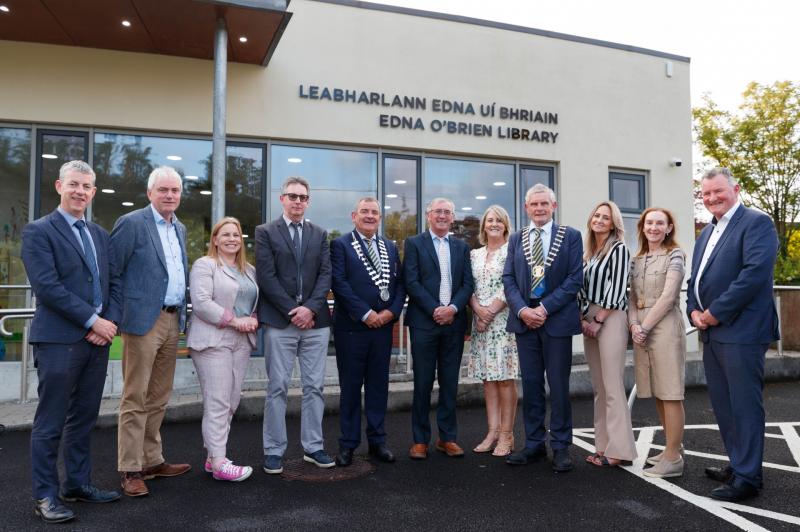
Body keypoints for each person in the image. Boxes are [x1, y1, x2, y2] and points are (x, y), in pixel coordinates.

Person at [22, 161, 122, 523]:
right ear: (59, 186)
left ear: (93, 192)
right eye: (74, 184)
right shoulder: (38, 231)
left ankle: (77, 484)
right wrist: (93, 320)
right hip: (58, 341)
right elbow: (48, 288)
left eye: (86, 186)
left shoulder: (100, 234)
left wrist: (108, 323)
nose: (80, 191)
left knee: (84, 418)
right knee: (50, 422)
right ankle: (45, 496)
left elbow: (115, 283)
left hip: (96, 342)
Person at [687, 167, 779, 502]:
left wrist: (715, 312)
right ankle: (738, 465)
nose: (712, 198)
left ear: (735, 189)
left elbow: (754, 275)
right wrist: (693, 310)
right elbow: (695, 279)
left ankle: (749, 479)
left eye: (718, 191)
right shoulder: (706, 232)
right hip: (712, 332)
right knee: (724, 405)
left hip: (742, 331)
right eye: (706, 193)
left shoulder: (756, 223)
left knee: (744, 406)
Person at [111, 166, 191, 497]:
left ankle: (151, 460)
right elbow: (113, 271)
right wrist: (115, 317)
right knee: (135, 396)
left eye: (175, 190)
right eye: (163, 190)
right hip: (142, 321)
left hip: (172, 320)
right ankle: (130, 469)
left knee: (159, 396)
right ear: (149, 193)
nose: (170, 195)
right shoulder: (132, 223)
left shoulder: (180, 228)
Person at [256, 176, 334, 474]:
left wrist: (310, 309)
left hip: (316, 323)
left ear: (308, 201)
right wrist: (293, 311)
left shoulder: (320, 234)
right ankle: (274, 450)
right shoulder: (265, 232)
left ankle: (313, 447)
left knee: (314, 387)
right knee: (277, 387)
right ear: (282, 199)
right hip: (281, 322)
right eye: (292, 196)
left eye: (302, 197)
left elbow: (325, 275)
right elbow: (266, 277)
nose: (298, 201)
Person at [502, 183, 582, 472]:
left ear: (553, 206)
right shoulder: (517, 238)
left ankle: (560, 446)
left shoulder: (570, 236)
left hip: (556, 320)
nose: (539, 208)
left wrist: (544, 308)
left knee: (558, 387)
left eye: (544, 204)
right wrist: (523, 310)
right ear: (526, 208)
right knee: (532, 385)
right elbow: (508, 278)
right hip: (525, 322)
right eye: (534, 204)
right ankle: (534, 444)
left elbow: (574, 279)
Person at [330, 197, 405, 466]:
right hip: (352, 329)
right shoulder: (340, 245)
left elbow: (399, 285)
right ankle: (348, 444)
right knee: (350, 388)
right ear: (354, 216)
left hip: (382, 329)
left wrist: (390, 313)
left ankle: (377, 441)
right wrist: (366, 313)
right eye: (365, 211)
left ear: (380, 218)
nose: (370, 216)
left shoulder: (390, 247)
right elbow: (339, 283)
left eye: (374, 212)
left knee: (378, 386)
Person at [187, 217, 259, 482]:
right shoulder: (205, 265)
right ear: (215, 240)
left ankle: (212, 457)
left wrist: (253, 319)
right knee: (217, 401)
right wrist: (234, 320)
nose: (232, 239)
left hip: (241, 341)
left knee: (231, 401)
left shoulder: (249, 270)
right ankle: (219, 462)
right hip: (213, 339)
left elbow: (252, 303)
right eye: (225, 234)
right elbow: (201, 302)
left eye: (236, 235)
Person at [404, 198, 474, 459]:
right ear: (428, 215)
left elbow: (467, 284)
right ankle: (420, 440)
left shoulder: (461, 247)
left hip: (453, 324)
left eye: (447, 212)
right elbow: (411, 281)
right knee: (422, 383)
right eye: (438, 212)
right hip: (424, 323)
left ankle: (447, 438)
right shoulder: (414, 243)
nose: (442, 216)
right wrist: (436, 309)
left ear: (452, 217)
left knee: (450, 383)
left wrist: (452, 308)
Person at [629, 208, 687, 478]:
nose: (653, 227)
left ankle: (674, 458)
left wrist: (644, 327)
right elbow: (631, 297)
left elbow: (668, 296)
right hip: (641, 327)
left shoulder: (675, 255)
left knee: (670, 392)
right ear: (642, 227)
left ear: (668, 228)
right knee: (658, 391)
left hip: (664, 326)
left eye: (659, 223)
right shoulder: (637, 259)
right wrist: (633, 324)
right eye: (649, 223)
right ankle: (670, 448)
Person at [579, 201, 636, 468]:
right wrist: (583, 318)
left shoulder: (618, 249)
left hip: (610, 317)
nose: (600, 220)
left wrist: (598, 320)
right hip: (589, 317)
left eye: (606, 217)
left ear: (614, 223)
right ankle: (602, 446)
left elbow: (618, 288)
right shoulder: (589, 253)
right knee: (599, 388)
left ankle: (620, 450)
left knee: (612, 386)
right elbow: (580, 288)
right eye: (597, 216)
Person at [468, 205, 519, 457]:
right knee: (488, 379)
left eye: (499, 220)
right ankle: (492, 432)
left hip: (503, 322)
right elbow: (468, 285)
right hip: (480, 323)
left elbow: (512, 284)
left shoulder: (512, 251)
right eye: (490, 220)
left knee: (505, 379)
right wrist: (479, 311)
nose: (494, 224)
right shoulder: (474, 255)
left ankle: (507, 435)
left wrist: (489, 312)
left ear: (506, 225)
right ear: (484, 225)